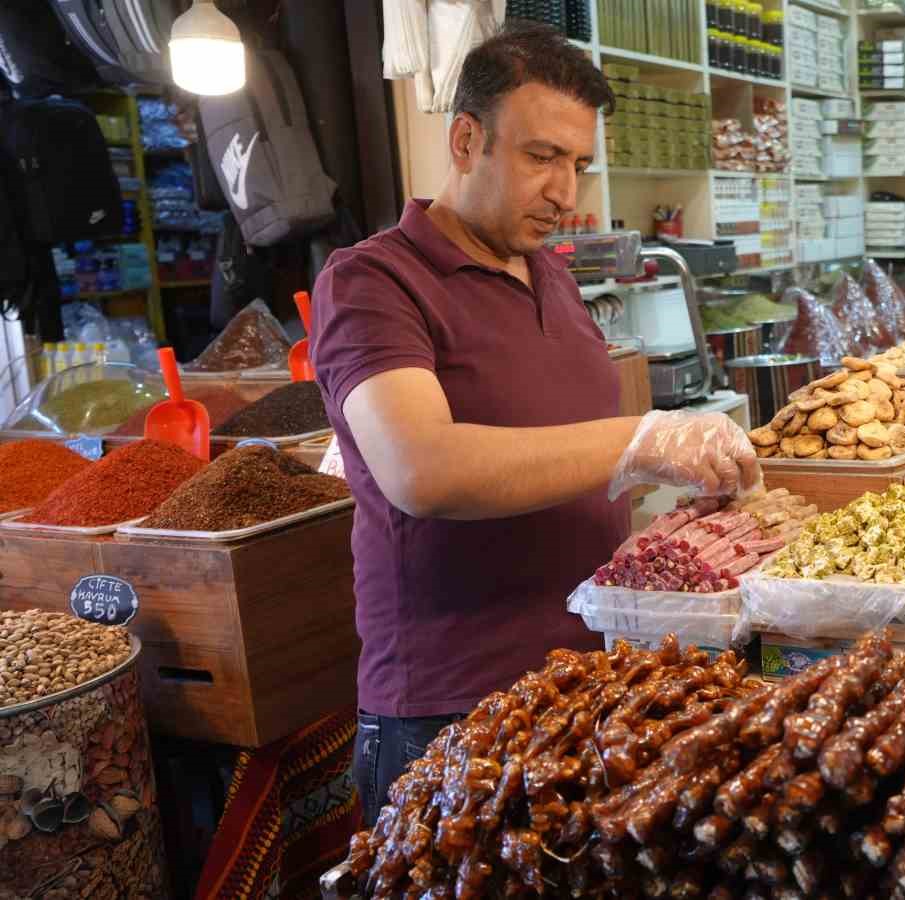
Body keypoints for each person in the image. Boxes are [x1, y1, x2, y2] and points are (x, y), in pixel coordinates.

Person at [310, 24, 758, 825]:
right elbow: (424, 470)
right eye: (541, 157)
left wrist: (665, 514)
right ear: (465, 139)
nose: (566, 192)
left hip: (586, 688)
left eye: (579, 165)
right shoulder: (374, 282)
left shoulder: (551, 275)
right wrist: (641, 440)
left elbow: (570, 460)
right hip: (450, 713)